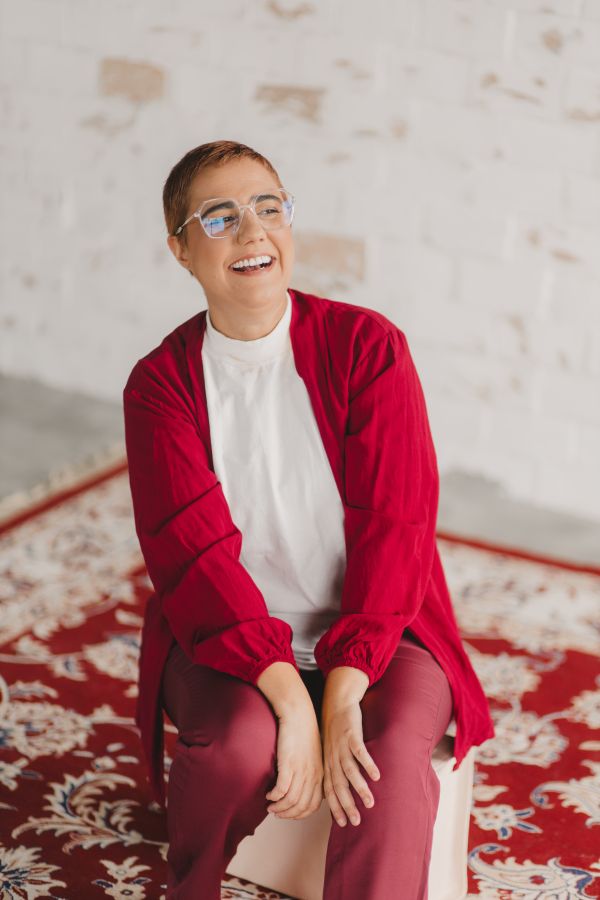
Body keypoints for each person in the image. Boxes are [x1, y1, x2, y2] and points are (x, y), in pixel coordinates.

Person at [122, 140, 495, 899]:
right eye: (220, 216)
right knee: (236, 748)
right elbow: (192, 560)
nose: (253, 231)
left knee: (386, 761)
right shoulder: (159, 387)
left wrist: (344, 689)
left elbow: (398, 528)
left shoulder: (368, 348)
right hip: (228, 637)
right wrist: (293, 699)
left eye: (269, 207)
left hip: (383, 627)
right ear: (181, 250)